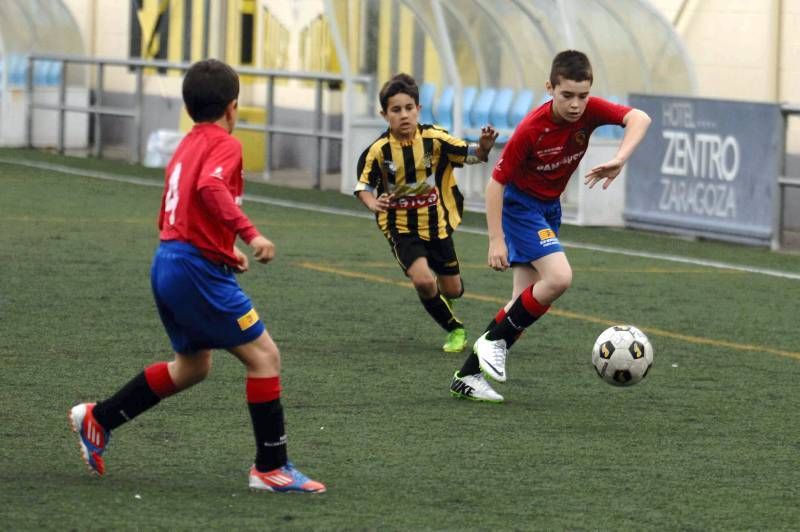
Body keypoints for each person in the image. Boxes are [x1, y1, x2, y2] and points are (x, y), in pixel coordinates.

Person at [68, 59, 325, 493]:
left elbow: (175, 211)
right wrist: (250, 234)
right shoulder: (225, 144)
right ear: (232, 107)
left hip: (170, 260)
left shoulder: (186, 145)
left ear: (189, 109)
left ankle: (100, 418)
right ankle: (270, 467)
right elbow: (210, 188)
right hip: (194, 270)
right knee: (265, 358)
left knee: (192, 367)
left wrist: (225, 252)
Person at [450, 50, 652, 402]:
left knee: (520, 306)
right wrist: (495, 240)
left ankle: (466, 377)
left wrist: (620, 158)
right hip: (520, 208)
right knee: (559, 278)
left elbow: (640, 118)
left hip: (547, 210)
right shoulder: (531, 128)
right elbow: (495, 184)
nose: (576, 105)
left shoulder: (589, 112)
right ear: (550, 88)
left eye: (583, 96)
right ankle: (493, 341)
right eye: (567, 96)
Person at [355, 73, 498, 353]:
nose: (404, 115)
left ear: (418, 110)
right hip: (400, 228)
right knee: (422, 280)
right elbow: (363, 186)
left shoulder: (434, 139)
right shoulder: (378, 151)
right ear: (385, 115)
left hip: (437, 226)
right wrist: (372, 203)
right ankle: (454, 329)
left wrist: (483, 147)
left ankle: (446, 300)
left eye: (409, 108)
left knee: (453, 289)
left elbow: (469, 153)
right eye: (396, 110)